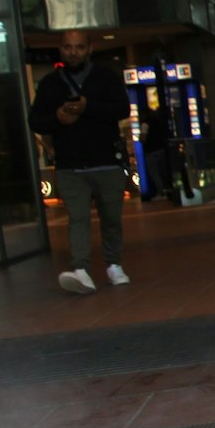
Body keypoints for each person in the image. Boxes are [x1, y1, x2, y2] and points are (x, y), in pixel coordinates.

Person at [29, 30, 131, 294]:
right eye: (68, 47)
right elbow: (35, 120)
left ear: (89, 49)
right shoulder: (51, 84)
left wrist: (89, 107)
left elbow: (121, 109)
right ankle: (81, 269)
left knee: (111, 217)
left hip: (107, 162)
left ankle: (114, 265)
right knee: (78, 218)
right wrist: (57, 119)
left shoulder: (105, 77)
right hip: (70, 165)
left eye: (79, 47)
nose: (73, 52)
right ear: (60, 49)